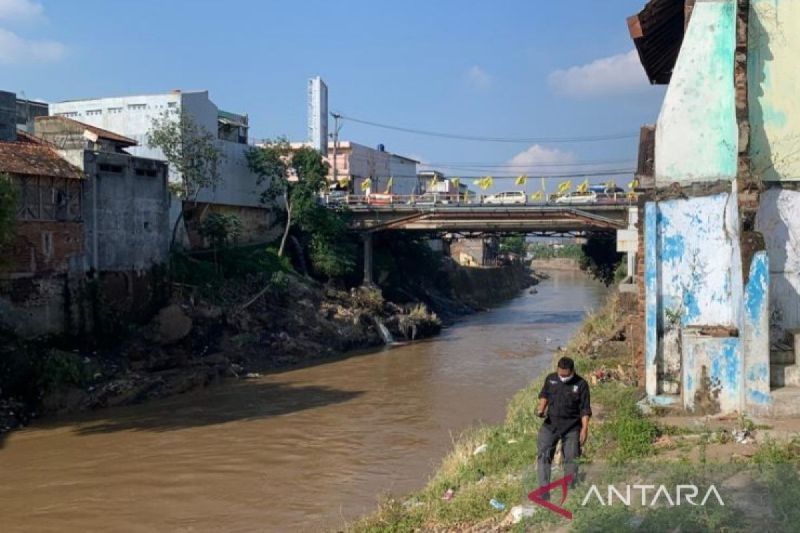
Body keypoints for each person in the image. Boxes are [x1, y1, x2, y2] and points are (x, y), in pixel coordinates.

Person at [535, 356, 591, 494]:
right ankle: (544, 491)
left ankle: (570, 489)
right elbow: (544, 395)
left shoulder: (581, 384)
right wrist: (541, 409)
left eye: (565, 375)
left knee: (571, 459)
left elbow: (585, 409)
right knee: (544, 455)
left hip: (571, 427)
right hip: (551, 425)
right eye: (560, 373)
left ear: (572, 371)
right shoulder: (551, 379)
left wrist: (584, 429)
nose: (562, 377)